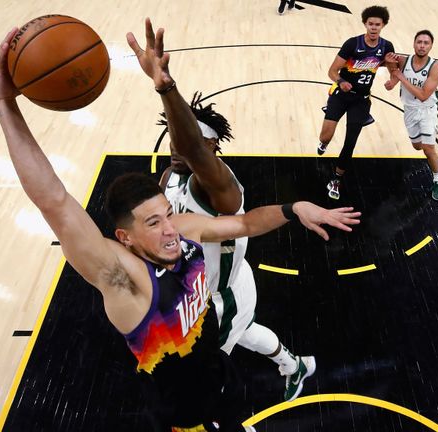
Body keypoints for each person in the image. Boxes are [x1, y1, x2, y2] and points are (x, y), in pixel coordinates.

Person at [0, 23, 360, 431]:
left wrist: (294, 208)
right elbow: (54, 201)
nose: (171, 229)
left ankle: (283, 371)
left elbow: (243, 221)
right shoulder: (123, 279)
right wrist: (5, 105)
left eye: (168, 214)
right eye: (155, 221)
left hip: (218, 355)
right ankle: (287, 368)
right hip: (184, 412)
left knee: (234, 371)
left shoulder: (193, 215)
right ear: (124, 238)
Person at [126, 19, 315, 401]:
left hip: (221, 297)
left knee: (207, 371)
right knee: (244, 334)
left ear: (212, 148)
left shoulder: (219, 189)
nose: (180, 146)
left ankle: (222, 418)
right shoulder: (168, 178)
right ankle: (295, 365)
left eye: (193, 140)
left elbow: (193, 150)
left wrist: (165, 86)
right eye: (176, 137)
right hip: (196, 291)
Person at [316, 5, 396, 200]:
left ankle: (336, 179)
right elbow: (332, 71)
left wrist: (392, 79)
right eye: (371, 24)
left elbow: (392, 67)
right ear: (365, 24)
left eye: (378, 24)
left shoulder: (386, 46)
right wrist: (341, 81)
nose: (374, 27)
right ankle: (323, 143)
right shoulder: (352, 44)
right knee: (326, 137)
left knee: (350, 141)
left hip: (361, 100)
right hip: (341, 95)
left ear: (383, 25)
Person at [384, 30, 438, 200]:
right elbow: (394, 74)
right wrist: (392, 74)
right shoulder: (405, 61)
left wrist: (400, 78)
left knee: (428, 149)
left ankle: (437, 180)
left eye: (426, 43)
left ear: (431, 46)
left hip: (427, 109)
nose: (422, 45)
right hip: (409, 109)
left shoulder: (437, 67)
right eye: (419, 42)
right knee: (417, 146)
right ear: (413, 43)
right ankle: (432, 129)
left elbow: (423, 95)